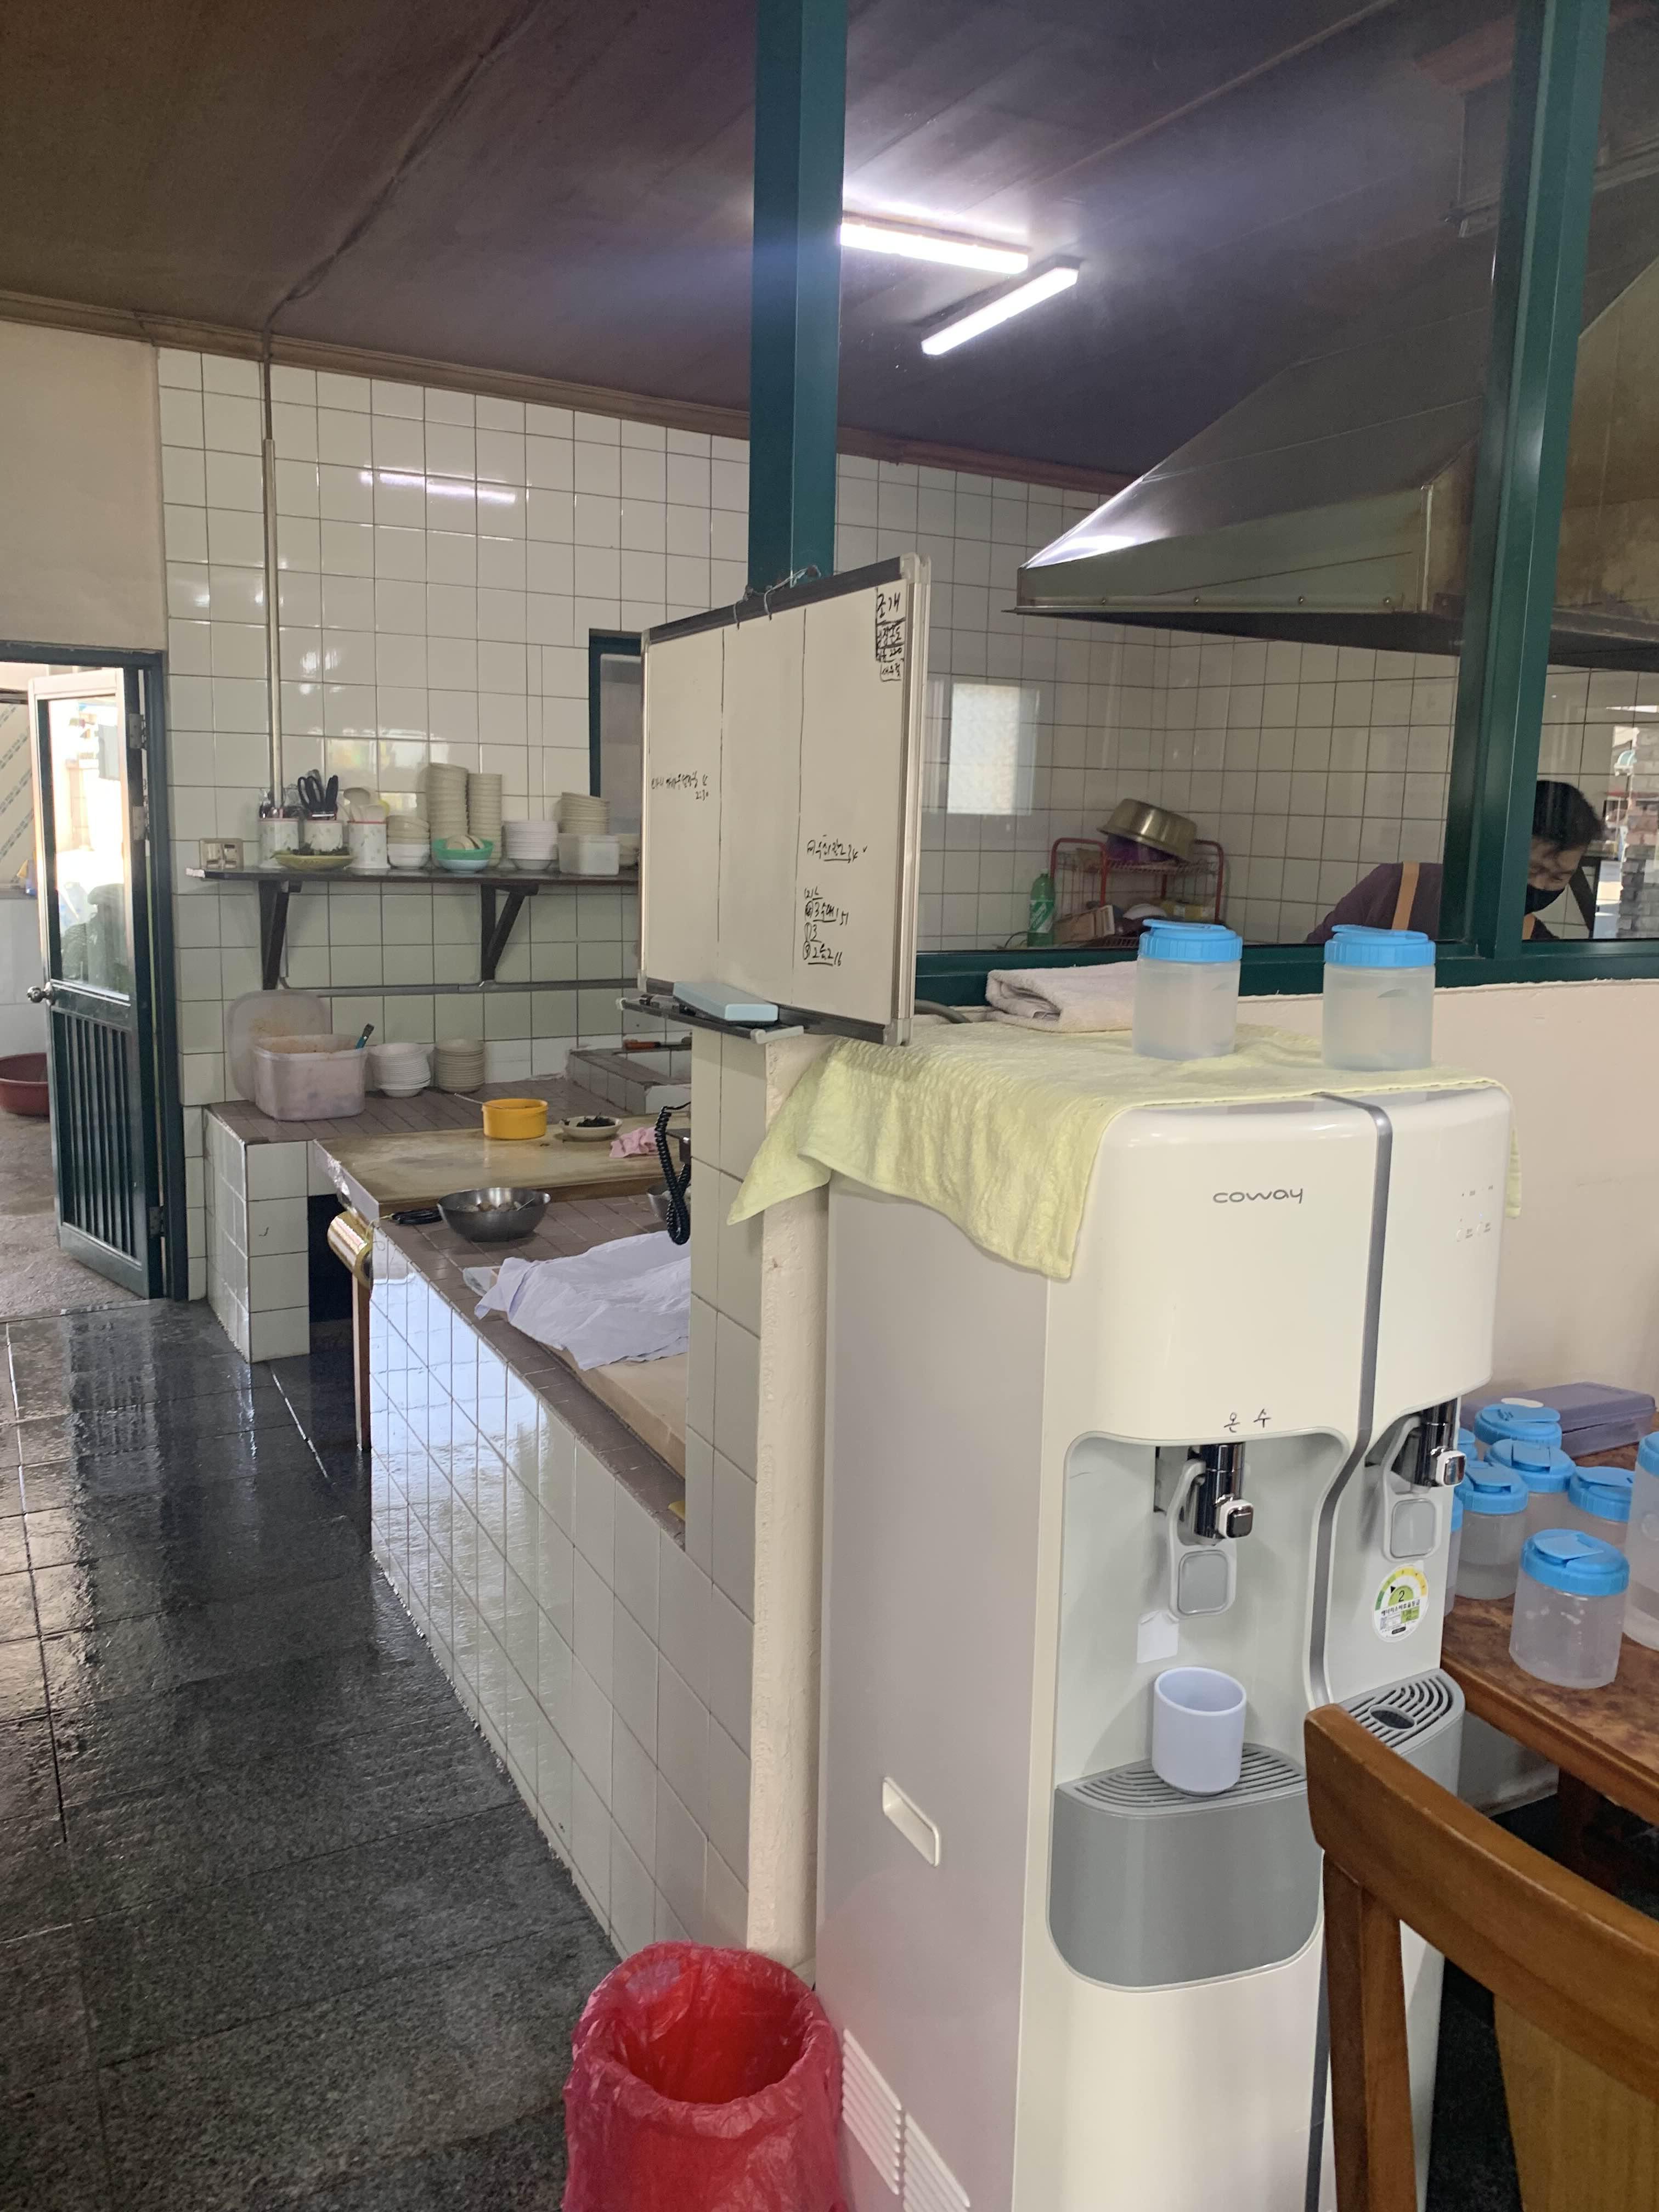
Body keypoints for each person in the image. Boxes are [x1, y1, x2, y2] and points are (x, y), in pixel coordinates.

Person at [1307, 779, 1601, 944]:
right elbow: (1310, 964)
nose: (1539, 885)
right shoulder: (1394, 888)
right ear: (1492, 848)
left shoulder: (1535, 941)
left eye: (1558, 877)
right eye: (1531, 869)